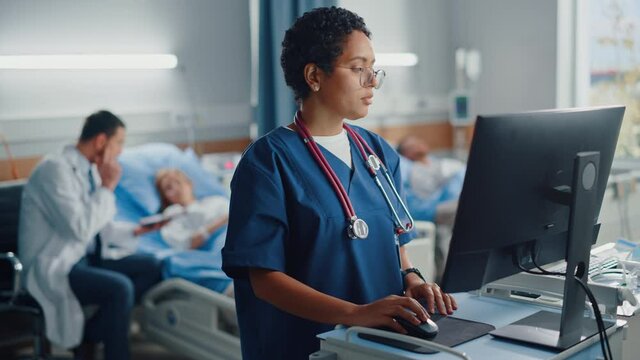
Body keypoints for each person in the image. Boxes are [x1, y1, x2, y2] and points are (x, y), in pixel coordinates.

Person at [222, 7, 457, 359]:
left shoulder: (378, 152)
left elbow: (397, 245)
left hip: (380, 345)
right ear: (314, 75)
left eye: (373, 69)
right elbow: (264, 280)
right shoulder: (268, 161)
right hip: (306, 348)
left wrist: (412, 280)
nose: (372, 81)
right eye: (358, 68)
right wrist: (355, 314)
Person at [18, 110, 162, 360]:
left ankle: (89, 335)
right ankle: (110, 349)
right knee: (119, 288)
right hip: (54, 264)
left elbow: (101, 228)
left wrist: (137, 230)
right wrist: (107, 187)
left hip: (83, 256)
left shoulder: (90, 171)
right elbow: (80, 227)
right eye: (119, 143)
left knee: (152, 266)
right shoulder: (54, 170)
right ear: (100, 141)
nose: (120, 151)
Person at [150, 168, 229, 251]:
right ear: (165, 196)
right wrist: (222, 220)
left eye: (178, 182)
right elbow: (188, 244)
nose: (177, 189)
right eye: (169, 187)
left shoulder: (217, 201)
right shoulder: (170, 216)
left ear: (189, 183)